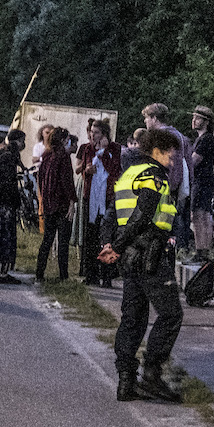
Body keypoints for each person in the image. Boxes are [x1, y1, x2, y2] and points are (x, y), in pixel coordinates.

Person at [99, 127, 185, 402]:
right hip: (152, 254)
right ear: (157, 152)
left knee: (132, 318)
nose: (172, 163)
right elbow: (144, 213)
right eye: (170, 157)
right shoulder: (154, 175)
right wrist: (119, 246)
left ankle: (126, 382)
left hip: (130, 258)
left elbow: (111, 216)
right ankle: (152, 375)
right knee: (171, 314)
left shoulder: (127, 175)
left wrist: (110, 245)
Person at [143, 104, 194, 252]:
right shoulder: (178, 135)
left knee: (163, 225)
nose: (145, 122)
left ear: (154, 118)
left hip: (164, 186)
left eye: (146, 118)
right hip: (176, 186)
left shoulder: (160, 136)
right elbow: (187, 162)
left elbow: (166, 164)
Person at [78, 119, 122, 286]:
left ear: (104, 134)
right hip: (91, 196)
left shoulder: (114, 148)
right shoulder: (88, 149)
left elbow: (114, 169)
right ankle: (91, 275)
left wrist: (104, 152)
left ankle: (107, 276)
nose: (92, 135)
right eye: (91, 132)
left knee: (106, 237)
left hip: (108, 197)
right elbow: (84, 170)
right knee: (91, 237)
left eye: (96, 132)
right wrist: (86, 171)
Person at [35, 127, 77, 283]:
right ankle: (63, 276)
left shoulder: (45, 155)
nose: (68, 141)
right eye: (67, 139)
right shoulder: (63, 157)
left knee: (47, 239)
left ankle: (39, 274)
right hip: (62, 204)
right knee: (63, 242)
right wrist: (72, 201)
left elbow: (40, 179)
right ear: (62, 140)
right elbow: (67, 181)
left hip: (49, 203)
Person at [0, 129, 27, 284]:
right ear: (16, 141)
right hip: (7, 203)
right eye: (22, 140)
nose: (23, 144)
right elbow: (8, 184)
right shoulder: (10, 158)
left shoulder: (0, 154)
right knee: (7, 237)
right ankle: (4, 273)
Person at [190, 106, 214, 254]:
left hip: (203, 181)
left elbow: (194, 160)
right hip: (200, 181)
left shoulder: (207, 139)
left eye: (198, 118)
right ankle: (201, 248)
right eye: (194, 117)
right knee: (197, 215)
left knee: (201, 215)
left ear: (206, 122)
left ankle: (203, 249)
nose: (194, 120)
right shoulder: (200, 139)